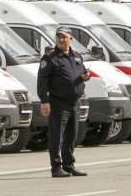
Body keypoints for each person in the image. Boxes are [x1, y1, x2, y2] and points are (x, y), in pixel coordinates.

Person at [38, 27, 91, 178]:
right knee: (57, 136)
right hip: (58, 102)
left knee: (71, 136)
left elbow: (82, 72)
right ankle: (56, 167)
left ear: (70, 39)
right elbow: (42, 80)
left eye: (64, 37)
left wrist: (86, 76)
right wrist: (44, 100)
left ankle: (69, 165)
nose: (61, 40)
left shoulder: (77, 55)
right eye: (58, 37)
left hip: (74, 102)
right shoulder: (50, 57)